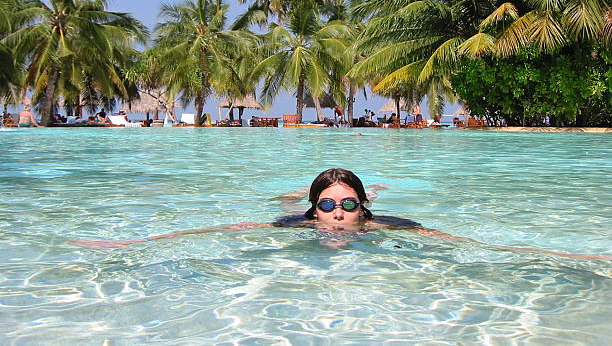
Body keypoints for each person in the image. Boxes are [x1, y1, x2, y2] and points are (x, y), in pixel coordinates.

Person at [68, 168, 612, 260]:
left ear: (363, 208)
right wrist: (132, 245)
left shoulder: (381, 226)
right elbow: (220, 230)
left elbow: (464, 244)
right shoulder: (298, 223)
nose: (336, 215)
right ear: (313, 209)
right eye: (326, 205)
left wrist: (554, 252)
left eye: (347, 204)